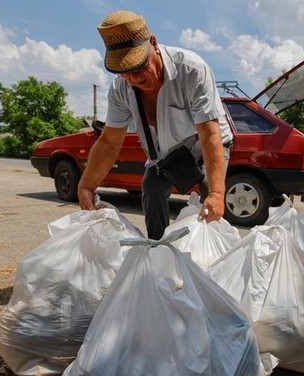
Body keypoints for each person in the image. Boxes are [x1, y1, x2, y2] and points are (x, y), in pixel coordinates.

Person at [78, 10, 233, 240]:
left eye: (139, 67)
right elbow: (109, 142)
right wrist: (87, 186)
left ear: (153, 43)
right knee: (152, 187)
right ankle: (158, 252)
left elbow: (210, 134)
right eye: (124, 73)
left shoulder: (191, 70)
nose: (134, 79)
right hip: (165, 156)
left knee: (210, 196)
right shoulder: (121, 89)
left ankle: (209, 266)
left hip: (206, 147)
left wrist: (218, 193)